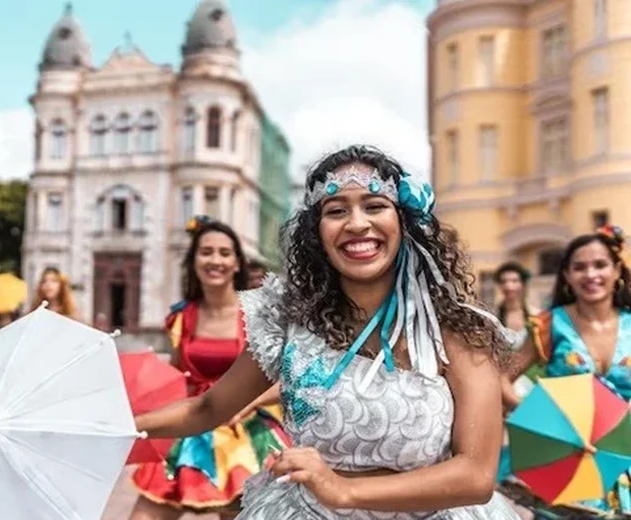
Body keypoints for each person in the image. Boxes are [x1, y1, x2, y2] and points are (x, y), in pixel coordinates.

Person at [135, 145, 520, 518]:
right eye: (336, 211)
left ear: (404, 223)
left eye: (374, 206)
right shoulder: (287, 320)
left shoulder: (460, 330)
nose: (357, 224)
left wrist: (342, 489)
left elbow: (476, 475)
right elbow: (207, 409)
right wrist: (121, 426)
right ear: (316, 233)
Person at [129, 216, 290, 520]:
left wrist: (248, 402)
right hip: (192, 430)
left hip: (248, 433)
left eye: (224, 253)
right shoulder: (180, 317)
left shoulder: (260, 314)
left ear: (237, 263)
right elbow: (177, 378)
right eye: (206, 252)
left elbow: (290, 377)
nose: (215, 260)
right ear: (193, 261)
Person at [500, 226, 631, 517]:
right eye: (579, 267)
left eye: (600, 265)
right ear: (567, 276)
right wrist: (536, 414)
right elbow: (501, 379)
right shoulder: (551, 324)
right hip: (564, 461)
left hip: (625, 454)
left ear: (617, 270)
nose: (590, 274)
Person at [493, 262, 543, 401]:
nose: (509, 286)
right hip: (501, 382)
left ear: (523, 285)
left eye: (514, 281)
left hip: (533, 381)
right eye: (504, 281)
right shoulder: (492, 318)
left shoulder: (537, 316)